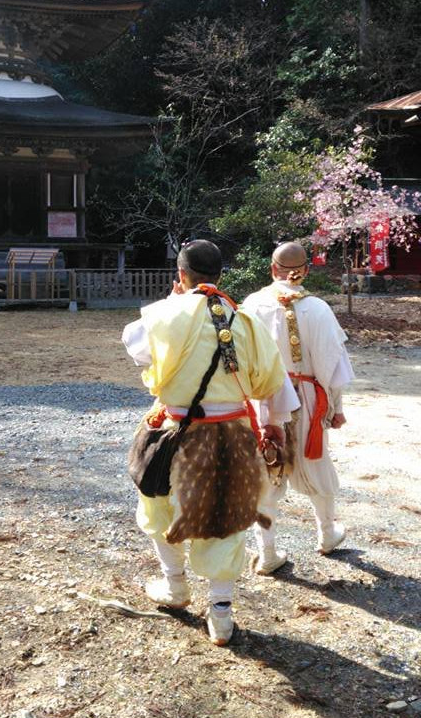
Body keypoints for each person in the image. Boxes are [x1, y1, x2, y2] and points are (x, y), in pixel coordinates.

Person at [122, 240, 299, 645]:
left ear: (181, 275)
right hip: (232, 434)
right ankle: (220, 614)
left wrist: (174, 303)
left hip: (173, 431)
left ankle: (174, 585)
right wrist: (273, 426)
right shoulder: (245, 320)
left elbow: (136, 348)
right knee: (224, 519)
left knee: (159, 507)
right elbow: (274, 384)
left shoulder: (165, 314)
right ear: (221, 275)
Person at [242, 241, 355, 575]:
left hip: (265, 399)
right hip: (308, 398)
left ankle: (267, 552)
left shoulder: (252, 305)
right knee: (316, 461)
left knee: (266, 470)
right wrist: (335, 408)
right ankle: (327, 533)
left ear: (272, 269)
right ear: (305, 270)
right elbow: (333, 367)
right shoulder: (319, 309)